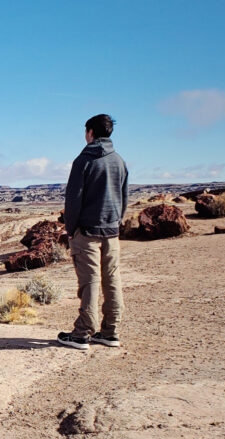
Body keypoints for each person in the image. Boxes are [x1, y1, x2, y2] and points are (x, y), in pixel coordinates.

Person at [57, 114, 128, 350]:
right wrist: (116, 221)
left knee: (89, 282)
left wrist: (71, 230)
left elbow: (73, 199)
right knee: (112, 281)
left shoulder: (84, 160)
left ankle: (82, 333)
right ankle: (110, 331)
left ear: (90, 132)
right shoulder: (119, 161)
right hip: (112, 230)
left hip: (87, 231)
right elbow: (124, 197)